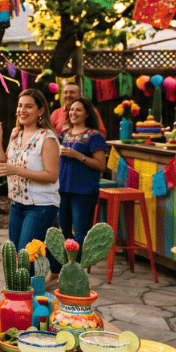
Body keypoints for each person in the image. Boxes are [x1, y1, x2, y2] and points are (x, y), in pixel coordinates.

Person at [0, 89, 61, 276]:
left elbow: (51, 175)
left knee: (25, 259)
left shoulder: (47, 138)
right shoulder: (16, 133)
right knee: (19, 254)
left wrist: (15, 170)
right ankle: (57, 268)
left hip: (40, 205)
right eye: (20, 105)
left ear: (40, 111)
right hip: (17, 203)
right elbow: (4, 162)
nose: (22, 110)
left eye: (28, 106)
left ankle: (25, 297)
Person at [57, 97, 107, 251]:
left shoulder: (94, 136)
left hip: (83, 192)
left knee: (80, 234)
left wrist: (77, 155)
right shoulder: (64, 135)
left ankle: (77, 271)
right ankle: (65, 267)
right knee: (63, 232)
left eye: (78, 109)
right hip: (62, 190)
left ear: (87, 114)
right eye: (71, 109)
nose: (73, 112)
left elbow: (101, 165)